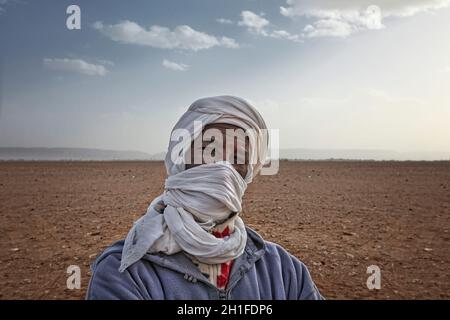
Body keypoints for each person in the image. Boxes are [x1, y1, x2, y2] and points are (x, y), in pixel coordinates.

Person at [86, 95, 323, 300]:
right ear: (180, 161)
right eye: (208, 150)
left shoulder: (283, 271)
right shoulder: (127, 271)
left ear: (249, 173)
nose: (222, 168)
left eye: (238, 157)